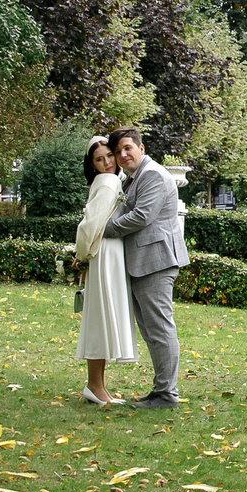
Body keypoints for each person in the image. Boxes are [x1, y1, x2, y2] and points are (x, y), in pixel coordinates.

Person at [104, 128, 188, 407]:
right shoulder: (134, 177)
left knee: (159, 328)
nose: (123, 155)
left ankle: (166, 394)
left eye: (128, 148)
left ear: (141, 147)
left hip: (157, 262)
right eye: (118, 152)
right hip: (145, 262)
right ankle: (161, 389)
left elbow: (141, 217)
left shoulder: (152, 174)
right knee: (152, 329)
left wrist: (103, 230)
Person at [71, 137, 138, 405]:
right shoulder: (109, 182)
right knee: (100, 320)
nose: (108, 162)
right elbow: (90, 225)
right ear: (92, 164)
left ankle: (97, 386)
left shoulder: (111, 181)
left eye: (110, 155)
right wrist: (82, 255)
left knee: (101, 318)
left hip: (108, 253)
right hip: (105, 253)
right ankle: (95, 387)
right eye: (100, 159)